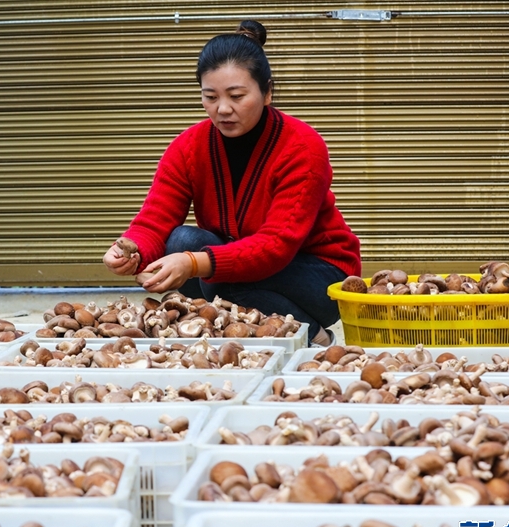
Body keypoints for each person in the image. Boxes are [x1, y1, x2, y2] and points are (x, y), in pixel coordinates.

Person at [102, 20, 361, 346]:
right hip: (241, 265)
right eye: (210, 96)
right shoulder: (188, 147)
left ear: (267, 92)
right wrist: (132, 249)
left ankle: (312, 334)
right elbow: (156, 220)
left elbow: (275, 247)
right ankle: (256, 327)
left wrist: (196, 263)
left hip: (319, 276)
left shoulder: (302, 146)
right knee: (182, 240)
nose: (223, 109)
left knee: (218, 274)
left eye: (237, 96)